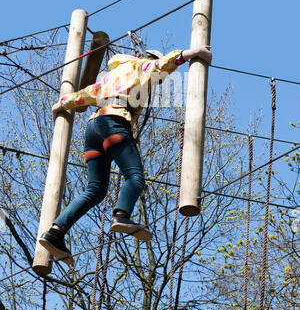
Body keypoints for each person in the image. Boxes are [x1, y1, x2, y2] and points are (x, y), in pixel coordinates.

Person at [39, 45, 212, 265]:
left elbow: (87, 94)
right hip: (114, 124)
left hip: (94, 129)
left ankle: (55, 232)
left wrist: (62, 103)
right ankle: (121, 215)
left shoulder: (112, 76)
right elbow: (161, 65)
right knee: (135, 178)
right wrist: (192, 53)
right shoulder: (141, 67)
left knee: (95, 190)